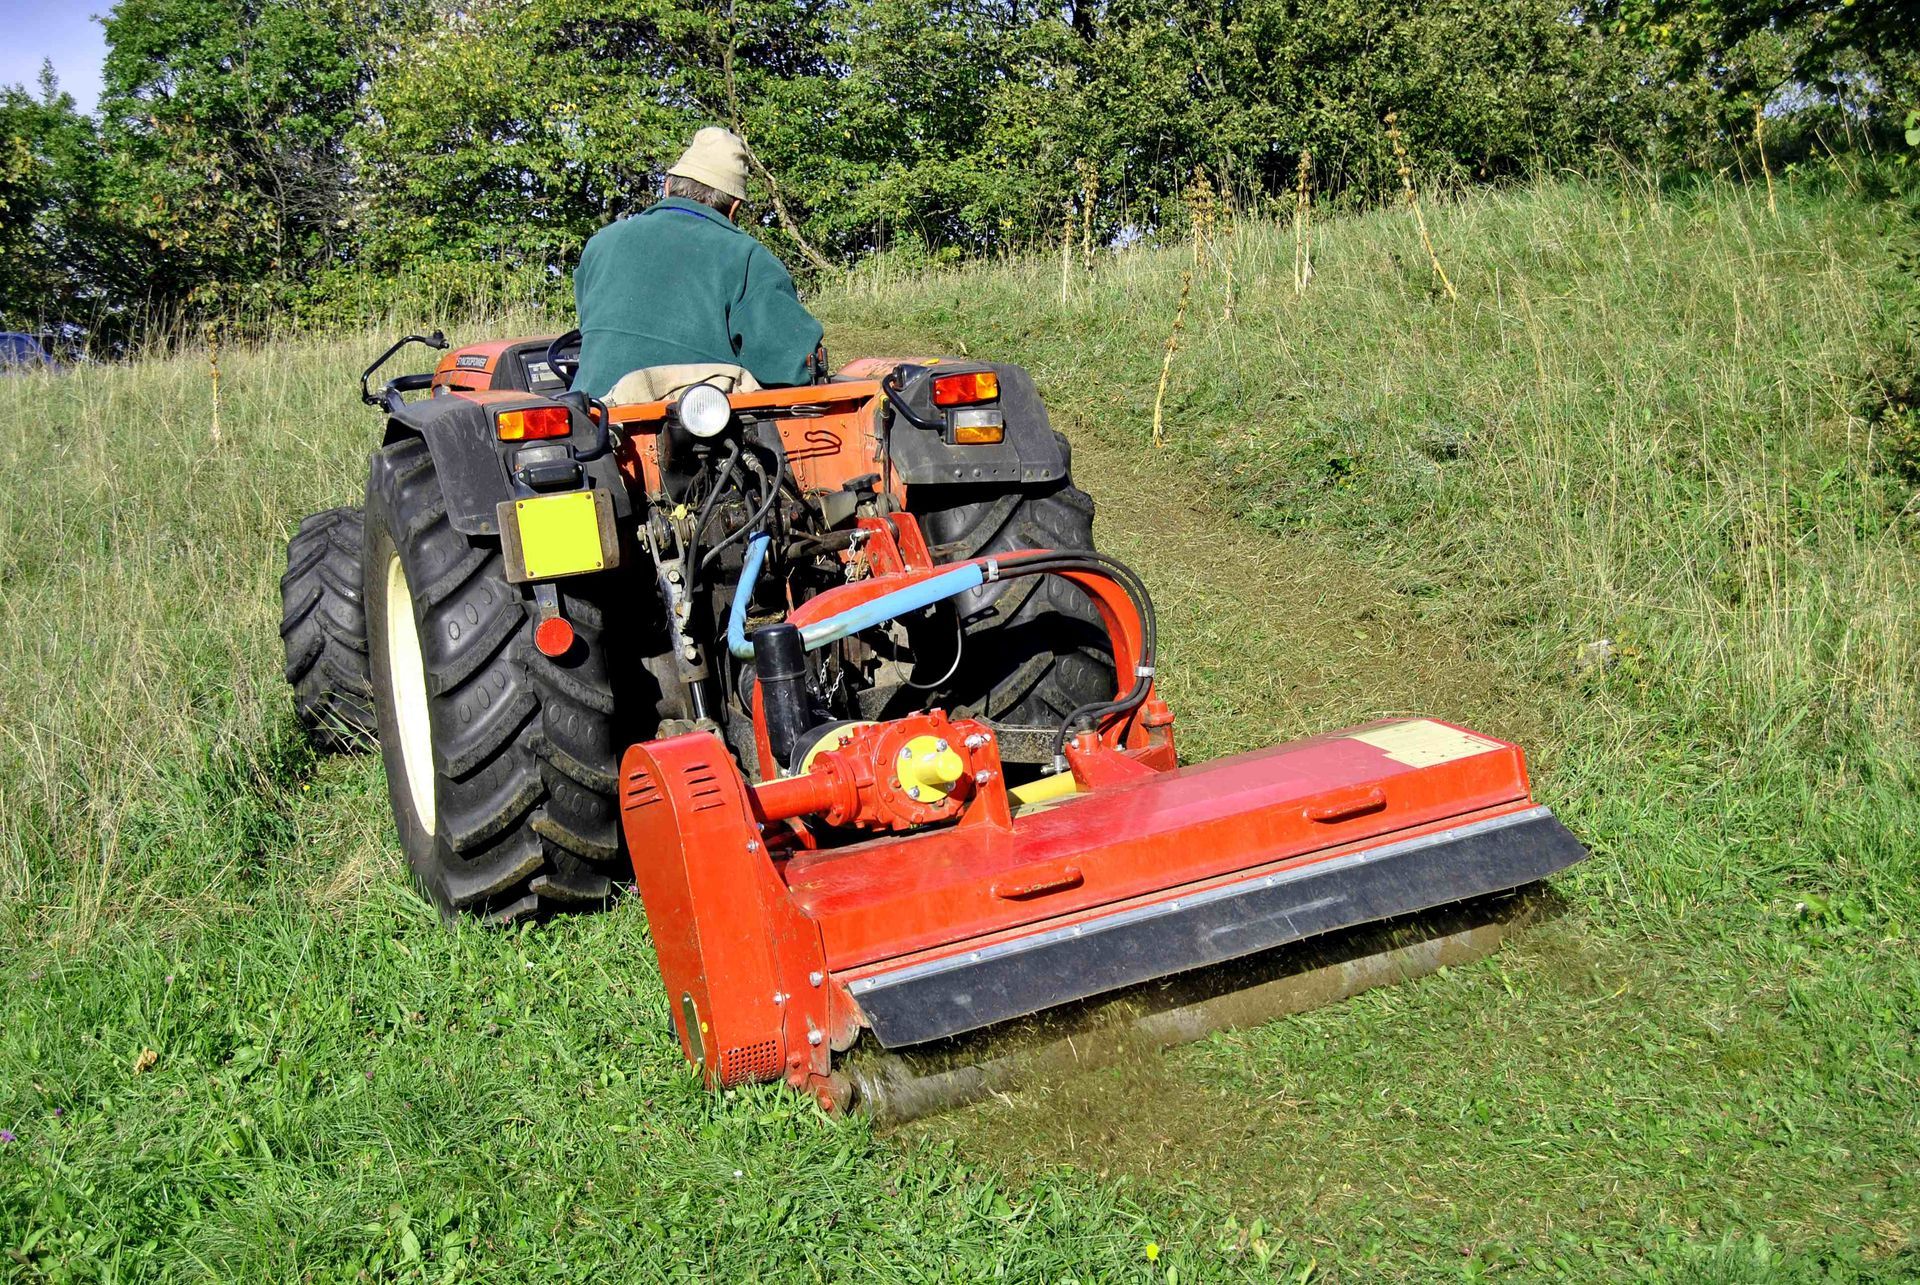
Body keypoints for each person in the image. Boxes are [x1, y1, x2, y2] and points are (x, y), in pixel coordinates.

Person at [570, 127, 826, 400]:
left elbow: (588, 324)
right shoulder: (747, 256)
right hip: (695, 424)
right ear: (734, 206)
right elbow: (793, 366)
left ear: (668, 186)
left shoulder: (602, 243)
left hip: (595, 419)